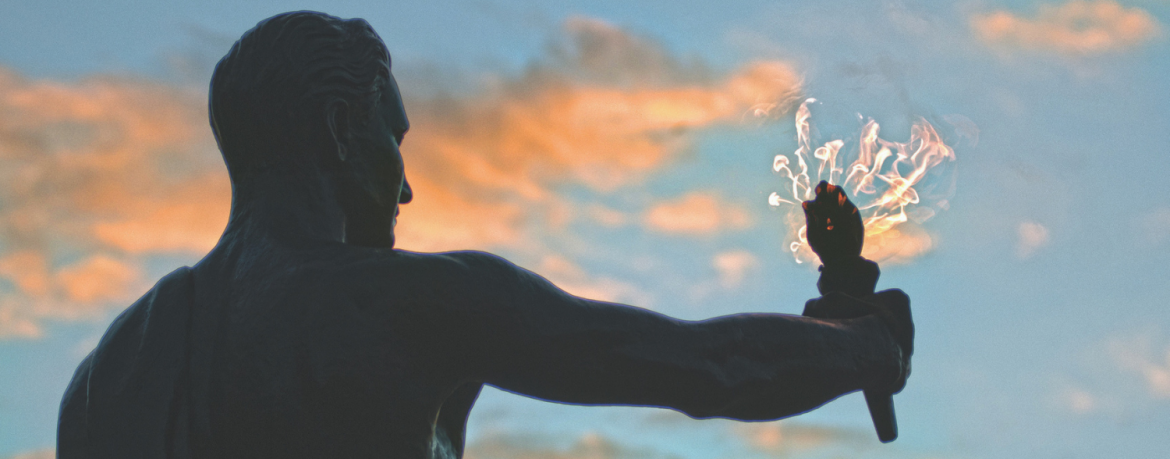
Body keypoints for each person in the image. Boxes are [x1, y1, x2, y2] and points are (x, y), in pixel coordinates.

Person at [57, 11, 913, 459]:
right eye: (392, 139)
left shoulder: (107, 376)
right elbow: (712, 368)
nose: (405, 185)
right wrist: (868, 345)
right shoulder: (412, 304)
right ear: (337, 130)